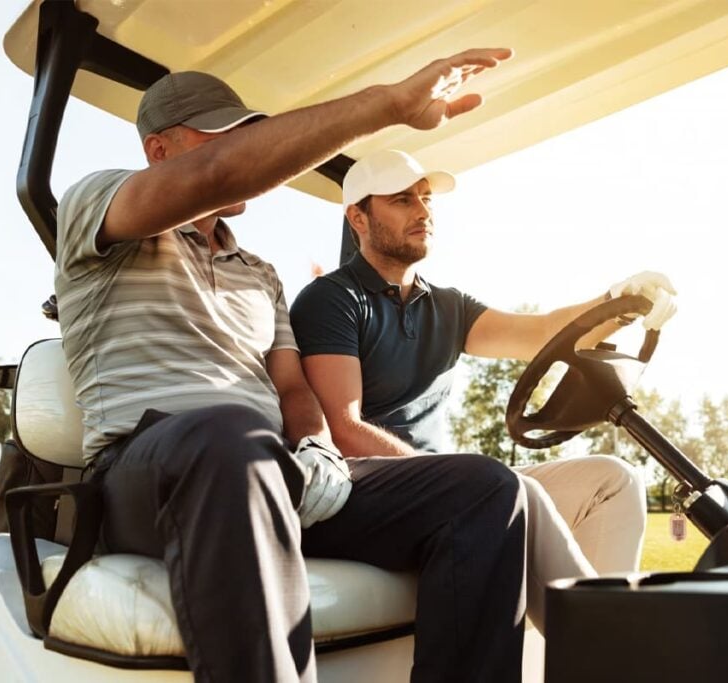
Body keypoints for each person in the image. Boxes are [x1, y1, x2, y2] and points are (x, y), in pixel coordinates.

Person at [55, 54, 530, 683]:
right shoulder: (96, 205)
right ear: (160, 150)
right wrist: (388, 105)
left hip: (265, 467)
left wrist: (315, 446)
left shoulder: (259, 273)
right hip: (146, 470)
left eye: (247, 131)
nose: (244, 146)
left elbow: (289, 386)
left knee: (484, 488)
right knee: (225, 434)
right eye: (224, 133)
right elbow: (220, 173)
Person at [290, 150, 679, 629]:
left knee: (614, 480)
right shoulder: (332, 299)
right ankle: (607, 647)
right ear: (358, 218)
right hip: (365, 492)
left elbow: (539, 332)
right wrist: (458, 480)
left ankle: (583, 653)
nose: (423, 211)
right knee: (506, 488)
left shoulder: (449, 306)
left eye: (426, 199)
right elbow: (342, 429)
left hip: (447, 484)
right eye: (401, 200)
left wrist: (617, 304)